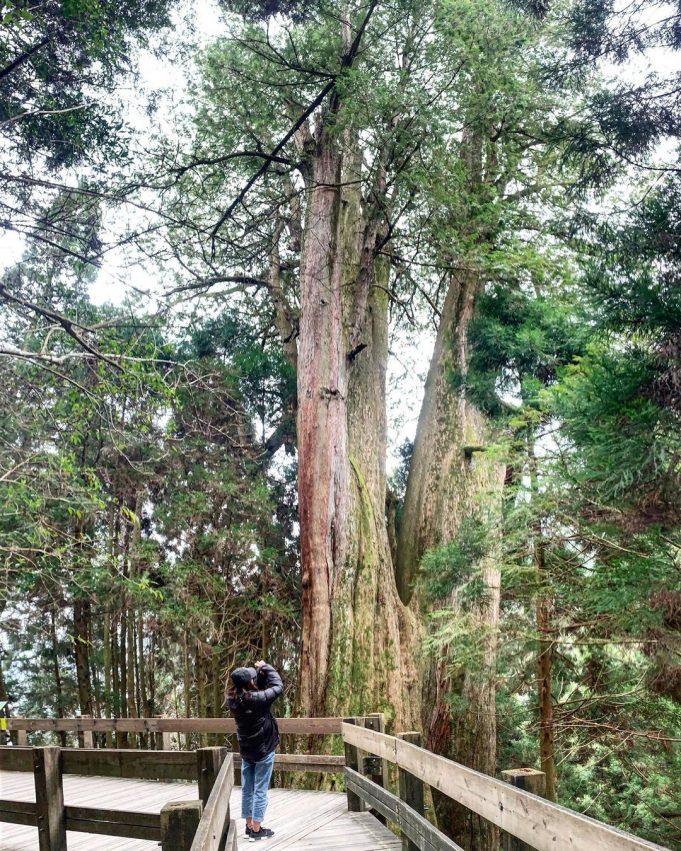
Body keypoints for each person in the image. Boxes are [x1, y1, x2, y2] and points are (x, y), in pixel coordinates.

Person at [226, 659, 283, 842]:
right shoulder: (256, 699)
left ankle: (249, 826)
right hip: (263, 750)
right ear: (249, 683)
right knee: (260, 789)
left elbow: (259, 687)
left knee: (247, 789)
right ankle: (257, 831)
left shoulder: (232, 699)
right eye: (252, 678)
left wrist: (259, 674)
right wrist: (265, 667)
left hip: (247, 750)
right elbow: (278, 686)